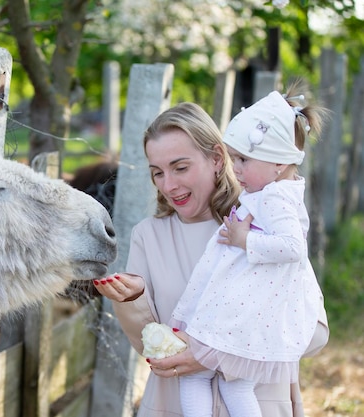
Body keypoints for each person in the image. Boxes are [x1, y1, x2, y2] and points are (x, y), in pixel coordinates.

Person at [93, 96, 329, 417]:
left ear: (218, 158)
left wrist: (218, 354)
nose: (169, 184)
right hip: (174, 406)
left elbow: (314, 334)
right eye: (157, 173)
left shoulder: (262, 223)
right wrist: (134, 299)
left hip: (261, 403)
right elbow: (153, 348)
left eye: (180, 167)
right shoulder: (149, 236)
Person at [169, 86, 327, 416]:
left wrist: (244, 240)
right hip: (244, 308)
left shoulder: (274, 197)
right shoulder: (273, 190)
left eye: (244, 159)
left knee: (197, 377)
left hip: (241, 313)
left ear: (280, 163)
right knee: (233, 384)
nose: (235, 168)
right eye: (234, 158)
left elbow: (294, 246)